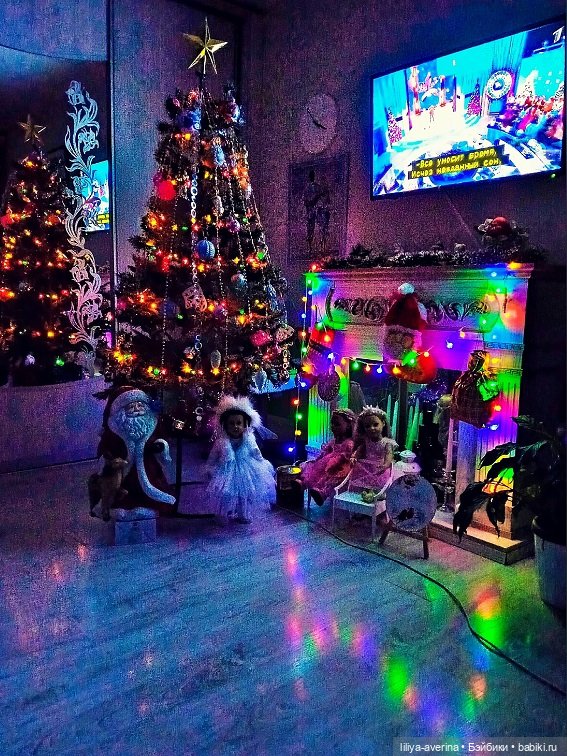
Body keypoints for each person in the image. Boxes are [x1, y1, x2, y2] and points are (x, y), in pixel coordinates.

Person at [95, 386, 176, 512]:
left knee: (153, 480)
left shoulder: (152, 423)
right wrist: (109, 459)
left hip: (148, 465)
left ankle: (152, 505)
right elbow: (106, 448)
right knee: (124, 489)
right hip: (123, 469)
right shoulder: (114, 429)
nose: (137, 409)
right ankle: (122, 506)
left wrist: (161, 445)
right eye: (131, 406)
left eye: (140, 405)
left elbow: (159, 438)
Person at [206, 395, 276, 524]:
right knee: (226, 493)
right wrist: (210, 467)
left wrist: (262, 464)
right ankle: (222, 513)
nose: (235, 426)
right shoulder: (221, 442)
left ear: (245, 425)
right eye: (231, 423)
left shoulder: (249, 440)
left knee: (245, 493)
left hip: (246, 470)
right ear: (225, 425)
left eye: (239, 423)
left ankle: (244, 513)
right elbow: (213, 455)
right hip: (226, 470)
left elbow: (256, 453)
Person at [300, 408, 357, 505]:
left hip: (340, 466)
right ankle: (303, 483)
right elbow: (326, 451)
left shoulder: (349, 443)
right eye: (332, 424)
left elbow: (347, 456)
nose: (333, 427)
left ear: (348, 426)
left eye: (337, 424)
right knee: (312, 468)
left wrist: (337, 460)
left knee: (332, 477)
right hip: (327, 462)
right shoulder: (334, 441)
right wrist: (319, 459)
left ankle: (323, 492)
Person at [349, 406, 397, 493]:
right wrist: (354, 456)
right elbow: (359, 450)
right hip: (366, 468)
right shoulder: (366, 440)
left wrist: (385, 465)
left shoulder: (387, 443)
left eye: (375, 424)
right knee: (363, 486)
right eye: (367, 426)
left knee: (379, 488)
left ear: (383, 423)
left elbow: (388, 455)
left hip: (380, 469)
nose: (371, 428)